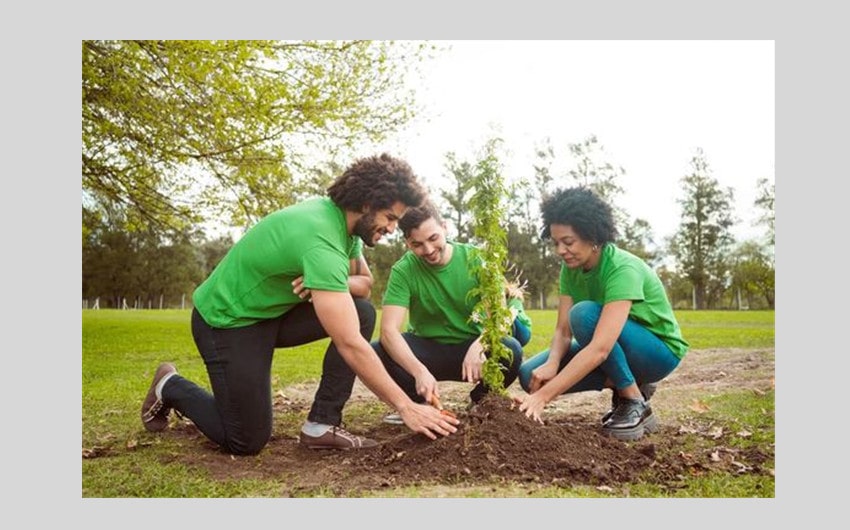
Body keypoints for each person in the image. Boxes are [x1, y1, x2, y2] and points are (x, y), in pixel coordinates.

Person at [140, 153, 460, 455]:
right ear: (367, 204)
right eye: (390, 218)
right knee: (245, 439)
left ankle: (322, 424)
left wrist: (333, 283)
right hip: (226, 323)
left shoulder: (343, 227)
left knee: (361, 312)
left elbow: (364, 285)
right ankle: (170, 385)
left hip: (271, 315)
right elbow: (349, 344)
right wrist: (406, 407)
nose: (392, 229)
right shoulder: (321, 241)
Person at [517, 187, 689, 441]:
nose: (560, 251)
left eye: (568, 242)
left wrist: (543, 397)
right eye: (556, 243)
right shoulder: (570, 268)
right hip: (612, 345)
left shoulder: (622, 268)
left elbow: (600, 348)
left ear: (592, 236)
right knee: (529, 373)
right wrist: (552, 363)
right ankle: (628, 382)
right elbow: (562, 331)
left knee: (583, 315)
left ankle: (632, 399)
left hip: (658, 352)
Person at [372, 202, 524, 424]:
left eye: (433, 238)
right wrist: (418, 371)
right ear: (407, 242)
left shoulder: (478, 259)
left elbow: (499, 320)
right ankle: (417, 404)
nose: (428, 250)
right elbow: (388, 331)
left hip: (471, 349)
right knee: (378, 350)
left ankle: (481, 401)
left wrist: (480, 344)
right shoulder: (403, 270)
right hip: (427, 348)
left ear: (444, 227)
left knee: (510, 349)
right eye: (417, 244)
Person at [506, 280, 532, 347]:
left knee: (509, 318)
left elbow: (511, 316)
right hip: (507, 328)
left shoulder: (514, 298)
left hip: (523, 331)